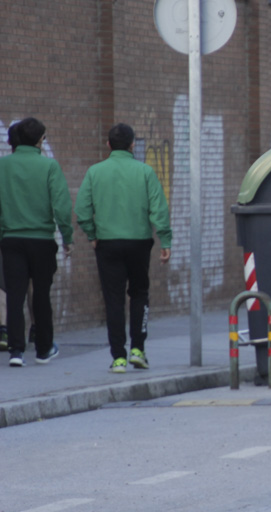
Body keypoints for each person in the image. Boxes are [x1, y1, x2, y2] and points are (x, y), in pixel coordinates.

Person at [75, 123, 173, 373]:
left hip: (107, 243)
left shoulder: (94, 172)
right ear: (132, 145)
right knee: (139, 293)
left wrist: (92, 234)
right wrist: (165, 240)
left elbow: (83, 210)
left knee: (114, 299)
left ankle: (118, 357)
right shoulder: (145, 172)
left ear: (108, 145)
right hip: (139, 243)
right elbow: (159, 209)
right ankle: (138, 349)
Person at [0, 118, 73, 367]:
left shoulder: (3, 165)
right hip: (41, 241)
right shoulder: (49, 167)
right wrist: (67, 237)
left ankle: (16, 351)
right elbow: (61, 206)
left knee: (15, 295)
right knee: (41, 295)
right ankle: (43, 350)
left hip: (11, 240)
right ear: (40, 139)